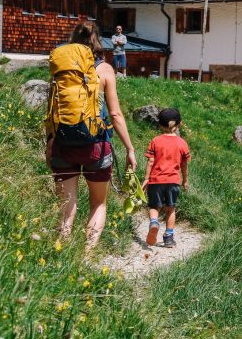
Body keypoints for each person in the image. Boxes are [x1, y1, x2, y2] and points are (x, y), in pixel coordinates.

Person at [47, 21, 137, 251]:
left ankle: (62, 254)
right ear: (96, 40)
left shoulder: (61, 68)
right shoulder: (105, 69)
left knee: (67, 205)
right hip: (96, 145)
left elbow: (51, 109)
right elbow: (115, 114)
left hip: (63, 142)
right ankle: (87, 257)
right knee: (98, 203)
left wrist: (49, 142)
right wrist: (130, 148)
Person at [143, 108, 191, 248]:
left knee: (154, 206)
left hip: (156, 180)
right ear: (179, 124)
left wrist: (146, 178)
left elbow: (150, 161)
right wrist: (185, 180)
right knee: (170, 209)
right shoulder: (182, 143)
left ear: (160, 125)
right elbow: (184, 164)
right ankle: (169, 238)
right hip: (173, 181)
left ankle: (154, 222)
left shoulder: (155, 141)